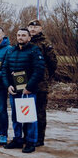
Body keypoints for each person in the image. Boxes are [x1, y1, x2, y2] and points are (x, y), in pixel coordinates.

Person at [2, 28, 45, 153]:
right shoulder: (11, 50)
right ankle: (17, 139)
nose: (20, 37)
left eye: (23, 35)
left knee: (30, 117)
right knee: (15, 116)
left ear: (29, 37)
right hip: (14, 90)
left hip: (28, 91)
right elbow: (5, 70)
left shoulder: (34, 50)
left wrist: (29, 87)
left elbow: (39, 70)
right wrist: (8, 85)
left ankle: (31, 142)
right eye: (19, 35)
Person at [28, 19, 58, 147]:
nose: (33, 29)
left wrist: (46, 76)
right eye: (31, 27)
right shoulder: (26, 41)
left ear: (40, 29)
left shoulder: (45, 43)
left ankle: (39, 138)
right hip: (26, 83)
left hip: (41, 84)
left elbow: (53, 63)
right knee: (27, 111)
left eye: (36, 27)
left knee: (40, 111)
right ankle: (28, 137)